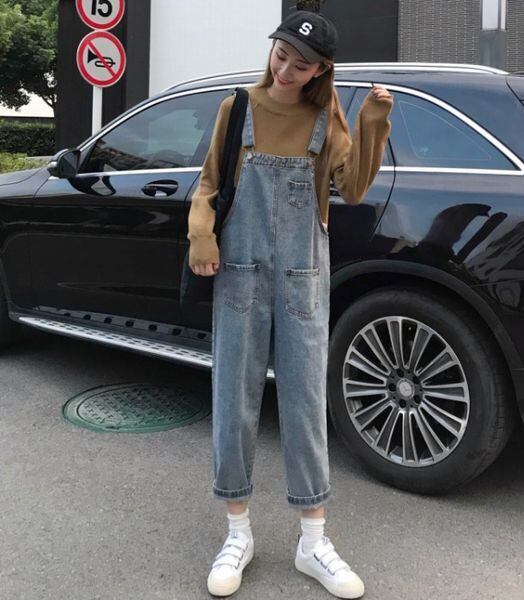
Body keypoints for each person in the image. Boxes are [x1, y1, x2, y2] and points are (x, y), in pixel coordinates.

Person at [186, 7, 393, 598]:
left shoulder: (325, 117)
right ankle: (237, 533)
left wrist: (373, 121)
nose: (285, 69)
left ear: (320, 71)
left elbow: (353, 188)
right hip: (239, 272)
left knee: (304, 403)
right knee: (234, 399)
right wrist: (201, 234)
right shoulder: (238, 107)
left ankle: (313, 541)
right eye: (281, 55)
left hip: (304, 275)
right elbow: (208, 183)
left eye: (300, 65)